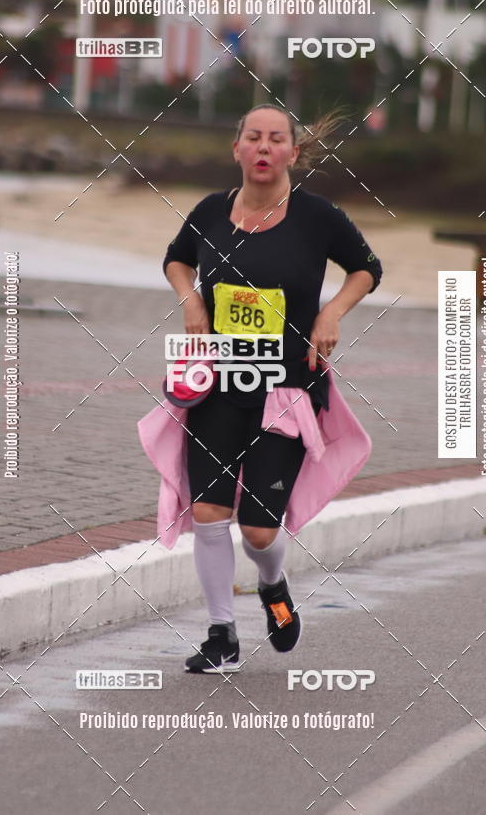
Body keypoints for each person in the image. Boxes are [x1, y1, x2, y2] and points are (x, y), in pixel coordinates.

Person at [161, 103, 383, 673]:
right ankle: (221, 635)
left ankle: (273, 584)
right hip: (217, 386)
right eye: (253, 137)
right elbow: (177, 261)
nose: (263, 148)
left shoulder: (317, 217)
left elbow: (366, 268)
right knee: (209, 512)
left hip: (285, 390)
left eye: (275, 139)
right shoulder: (210, 212)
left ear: (293, 152)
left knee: (260, 530)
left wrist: (331, 313)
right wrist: (190, 301)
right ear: (236, 148)